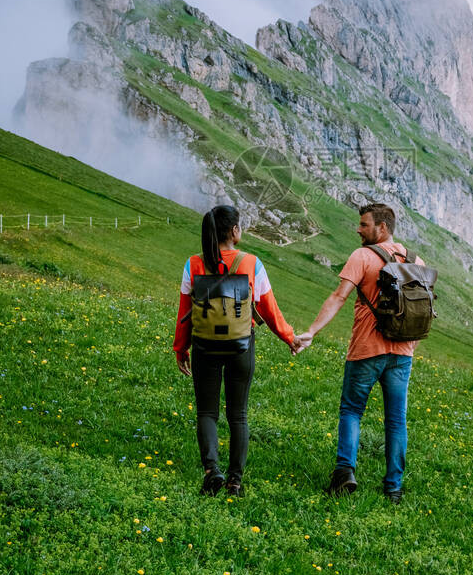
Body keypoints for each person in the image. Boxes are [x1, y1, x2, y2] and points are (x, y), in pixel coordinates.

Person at [296, 203, 425, 503]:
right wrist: (411, 345)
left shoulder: (362, 257)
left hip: (367, 350)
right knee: (396, 421)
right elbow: (424, 306)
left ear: (382, 228)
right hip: (402, 353)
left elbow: (338, 296)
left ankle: (344, 474)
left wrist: (312, 331)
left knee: (352, 411)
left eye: (364, 224)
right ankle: (394, 487)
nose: (358, 229)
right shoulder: (413, 257)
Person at [173, 205, 303, 497]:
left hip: (205, 345)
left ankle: (211, 472)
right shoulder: (251, 263)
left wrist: (181, 348)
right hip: (241, 346)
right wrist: (290, 338)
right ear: (234, 231)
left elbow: (185, 312)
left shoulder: (193, 264)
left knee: (207, 411)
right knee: (238, 415)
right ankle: (234, 481)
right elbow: (269, 310)